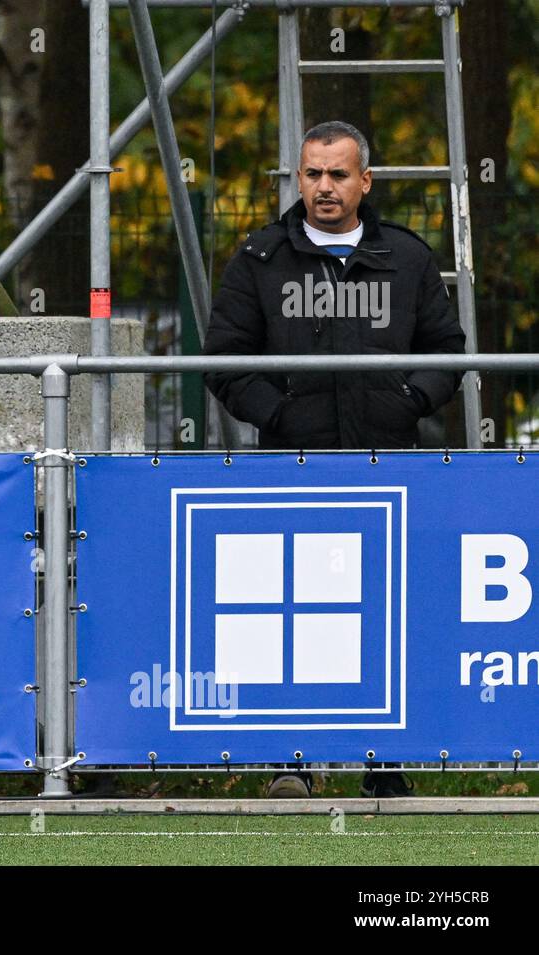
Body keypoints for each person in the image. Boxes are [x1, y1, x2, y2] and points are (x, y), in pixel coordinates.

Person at [204, 120, 466, 799]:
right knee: (300, 617)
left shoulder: (408, 260)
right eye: (313, 174)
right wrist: (281, 414)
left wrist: (409, 401)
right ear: (300, 178)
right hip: (293, 470)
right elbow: (222, 360)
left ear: (365, 181)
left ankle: (385, 765)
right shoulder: (259, 259)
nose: (324, 186)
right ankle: (294, 762)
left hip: (390, 468)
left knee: (385, 612)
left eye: (338, 174)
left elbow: (448, 349)